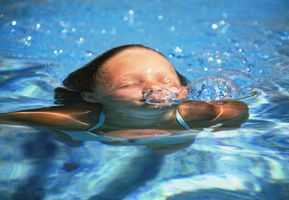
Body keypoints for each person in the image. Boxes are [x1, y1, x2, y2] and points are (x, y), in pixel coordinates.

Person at [0, 44, 248, 144]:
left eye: (167, 81)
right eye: (129, 83)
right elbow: (21, 117)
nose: (156, 88)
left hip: (174, 137)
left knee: (171, 146)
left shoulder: (190, 113)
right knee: (67, 140)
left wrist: (225, 131)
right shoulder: (85, 116)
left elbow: (237, 109)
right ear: (92, 96)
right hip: (105, 131)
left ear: (183, 90)